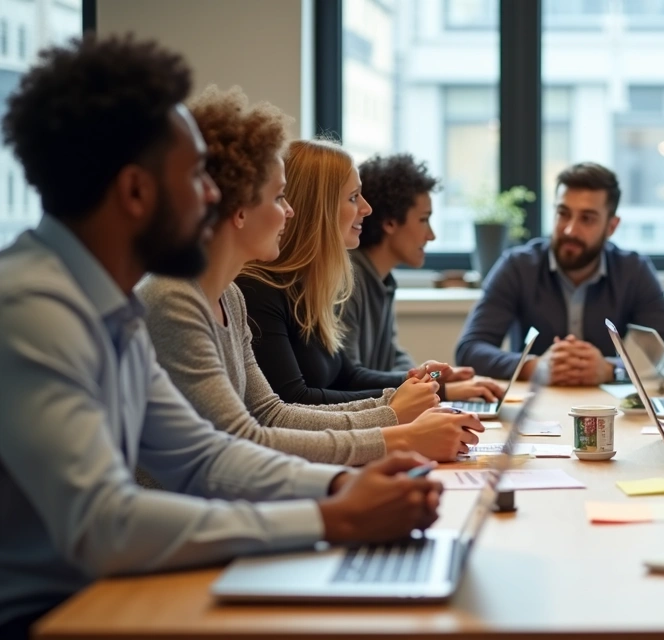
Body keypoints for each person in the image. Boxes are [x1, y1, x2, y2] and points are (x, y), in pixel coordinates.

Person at [0, 35, 442, 639]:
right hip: (48, 617)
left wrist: (343, 484)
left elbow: (203, 455)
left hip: (105, 596)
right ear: (135, 192)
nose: (214, 195)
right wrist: (331, 517)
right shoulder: (32, 310)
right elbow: (104, 524)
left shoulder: (109, 304)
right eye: (196, 177)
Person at [138, 86, 482, 465]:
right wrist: (395, 430)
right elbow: (245, 439)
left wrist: (398, 407)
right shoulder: (180, 298)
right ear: (239, 208)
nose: (289, 212)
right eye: (278, 198)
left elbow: (269, 414)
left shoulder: (230, 298)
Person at [236, 140, 459, 407]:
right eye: (353, 197)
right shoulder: (257, 291)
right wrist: (397, 399)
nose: (367, 208)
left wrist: (419, 378)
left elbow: (348, 376)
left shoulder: (308, 285)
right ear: (319, 207)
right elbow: (294, 399)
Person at [455, 162, 664, 386]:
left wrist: (612, 369)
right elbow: (469, 349)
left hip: (605, 406)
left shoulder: (632, 270)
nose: (570, 230)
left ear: (611, 227)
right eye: (563, 214)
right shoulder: (518, 266)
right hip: (533, 402)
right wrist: (534, 366)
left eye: (587, 219)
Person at [344, 153, 501, 402]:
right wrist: (441, 390)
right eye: (424, 220)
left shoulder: (382, 280)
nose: (431, 235)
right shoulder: (347, 281)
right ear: (390, 222)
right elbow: (349, 379)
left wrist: (434, 376)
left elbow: (394, 360)